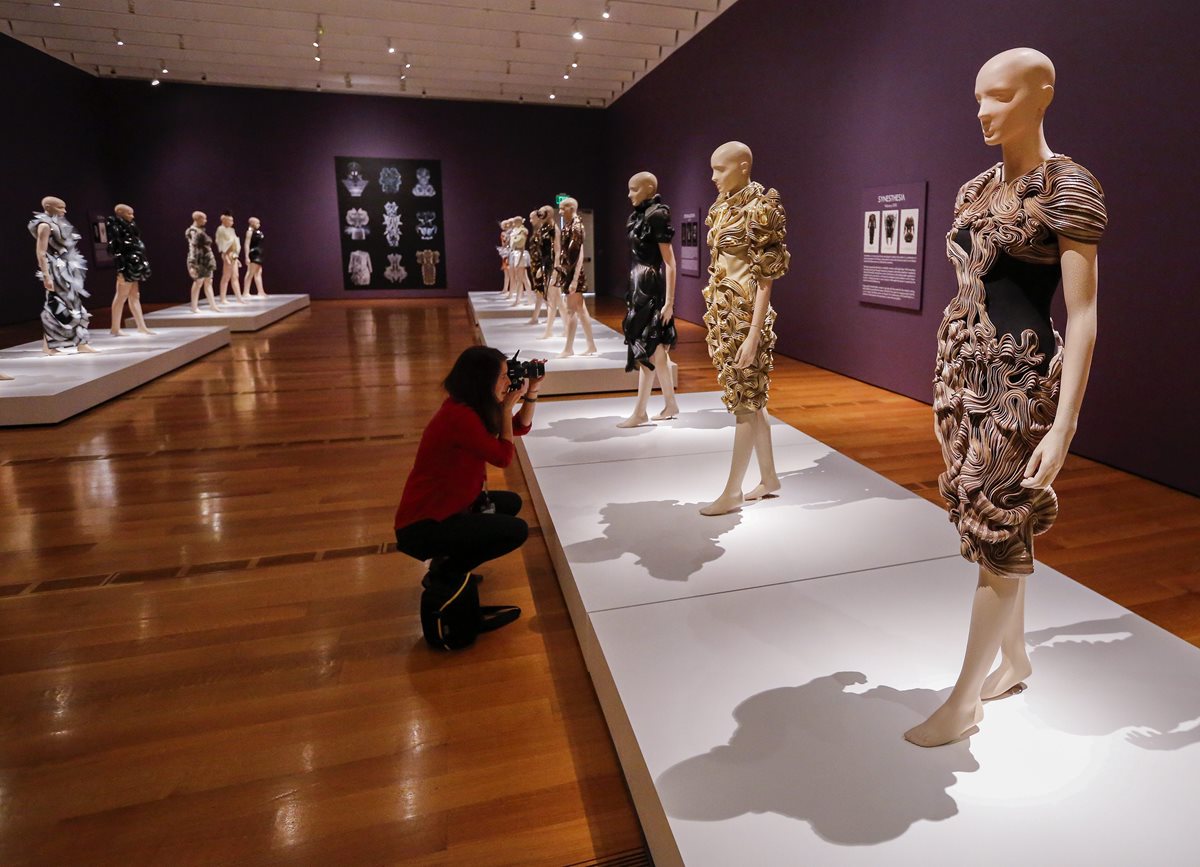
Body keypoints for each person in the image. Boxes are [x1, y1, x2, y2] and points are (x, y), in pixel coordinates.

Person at [394, 346, 545, 621]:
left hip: (451, 505)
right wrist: (508, 406)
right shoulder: (460, 417)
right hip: (426, 522)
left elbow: (518, 427)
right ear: (482, 380)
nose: (508, 381)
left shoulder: (468, 406)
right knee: (515, 531)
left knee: (510, 503)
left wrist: (531, 392)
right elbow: (503, 455)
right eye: (501, 376)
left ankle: (450, 561)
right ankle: (449, 571)